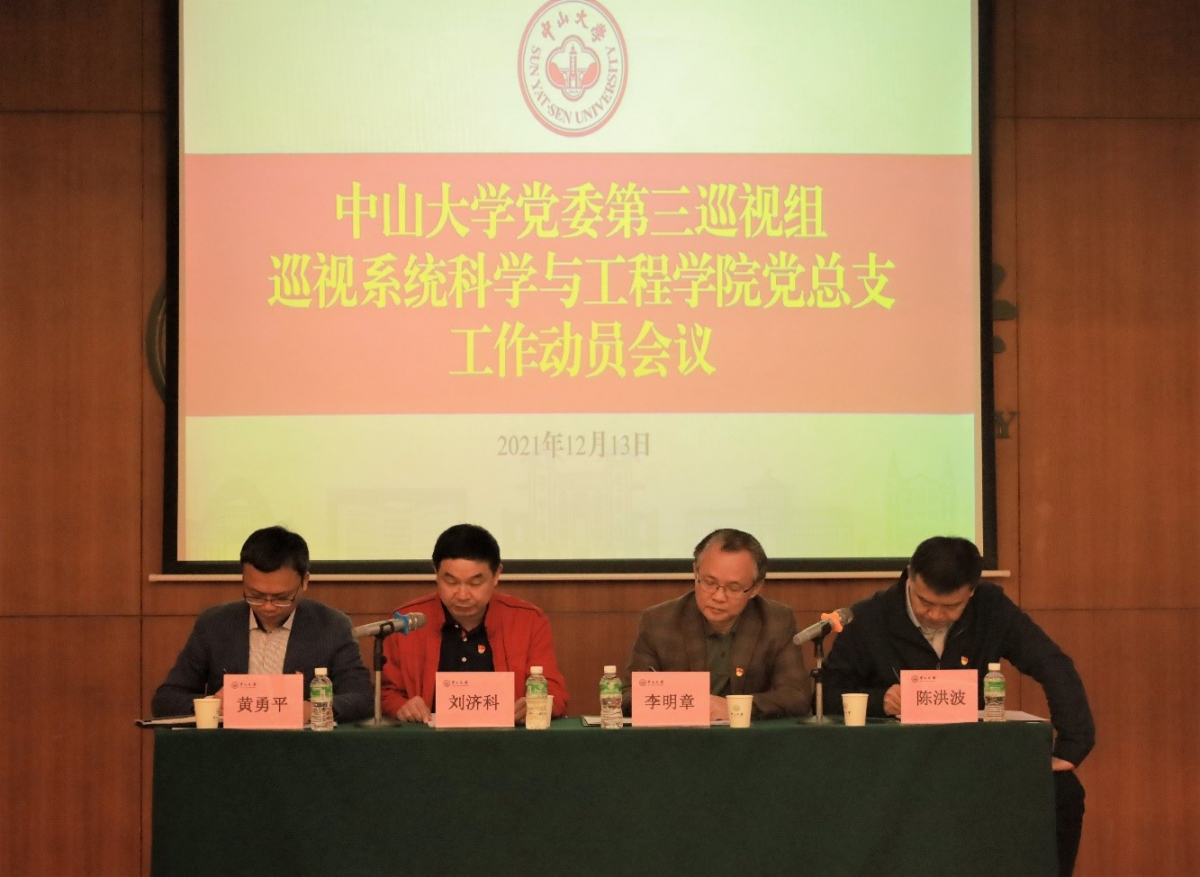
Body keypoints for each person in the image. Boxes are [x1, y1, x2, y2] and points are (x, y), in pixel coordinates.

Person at [822, 535, 1094, 877]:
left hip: (971, 753)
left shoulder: (991, 608)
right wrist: (880, 700)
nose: (936, 615)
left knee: (1063, 791)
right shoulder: (869, 617)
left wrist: (1073, 745)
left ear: (972, 592)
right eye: (924, 602)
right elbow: (825, 691)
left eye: (951, 607)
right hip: (894, 760)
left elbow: (1051, 663)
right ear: (909, 577)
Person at [151, 525, 373, 724]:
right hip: (228, 746)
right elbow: (166, 699)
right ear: (243, 578)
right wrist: (212, 705)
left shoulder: (332, 626)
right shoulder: (214, 624)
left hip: (301, 747)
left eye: (281, 597)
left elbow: (362, 698)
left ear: (305, 581)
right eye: (255, 595)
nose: (267, 606)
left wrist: (314, 709)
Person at [381, 524, 569, 723]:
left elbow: (556, 695)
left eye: (475, 583)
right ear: (436, 573)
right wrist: (402, 706)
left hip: (506, 738)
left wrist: (535, 705)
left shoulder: (528, 621)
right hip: (430, 739)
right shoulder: (406, 623)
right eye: (451, 582)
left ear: (496, 575)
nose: (462, 595)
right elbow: (385, 694)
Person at [622, 528, 812, 720]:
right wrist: (686, 704)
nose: (719, 597)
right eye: (709, 582)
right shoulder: (659, 621)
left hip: (749, 737)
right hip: (682, 735)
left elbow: (797, 696)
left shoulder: (776, 621)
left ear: (755, 588)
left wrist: (734, 708)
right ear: (696, 571)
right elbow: (628, 697)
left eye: (733, 588)